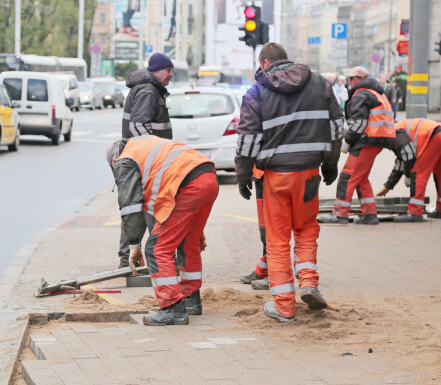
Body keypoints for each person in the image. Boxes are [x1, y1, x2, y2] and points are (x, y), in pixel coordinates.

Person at [235, 42, 344, 323]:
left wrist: (243, 175)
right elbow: (336, 126)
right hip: (309, 173)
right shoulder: (319, 83)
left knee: (278, 239)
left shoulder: (256, 92)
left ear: (264, 64)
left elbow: (247, 141)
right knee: (307, 229)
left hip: (275, 177)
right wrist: (331, 164)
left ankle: (284, 307)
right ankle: (309, 283)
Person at [109, 135, 218, 326]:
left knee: (156, 249)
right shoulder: (144, 145)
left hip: (187, 186)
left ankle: (173, 308)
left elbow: (130, 206)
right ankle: (191, 299)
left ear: (114, 161)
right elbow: (155, 207)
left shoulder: (125, 161)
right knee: (188, 242)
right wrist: (196, 228)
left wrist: (135, 245)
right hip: (208, 177)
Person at [116, 53, 174, 268]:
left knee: (132, 207)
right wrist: (156, 155)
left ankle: (128, 260)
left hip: (137, 158)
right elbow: (138, 127)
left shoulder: (147, 89)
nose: (171, 75)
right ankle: (154, 260)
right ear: (157, 71)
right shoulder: (149, 91)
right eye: (168, 71)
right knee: (150, 207)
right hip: (144, 162)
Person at [319, 66, 396, 225]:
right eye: (348, 78)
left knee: (347, 176)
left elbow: (359, 123)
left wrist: (347, 140)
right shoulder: (375, 93)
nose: (349, 81)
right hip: (376, 140)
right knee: (361, 178)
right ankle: (370, 214)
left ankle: (340, 214)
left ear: (361, 79)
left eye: (352, 78)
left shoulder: (361, 94)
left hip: (366, 140)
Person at [376, 118, 441, 221]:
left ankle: (415, 212)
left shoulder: (394, 132)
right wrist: (387, 187)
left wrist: (408, 174)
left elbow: (408, 154)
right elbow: (402, 160)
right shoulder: (400, 128)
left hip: (432, 137)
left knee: (419, 172)